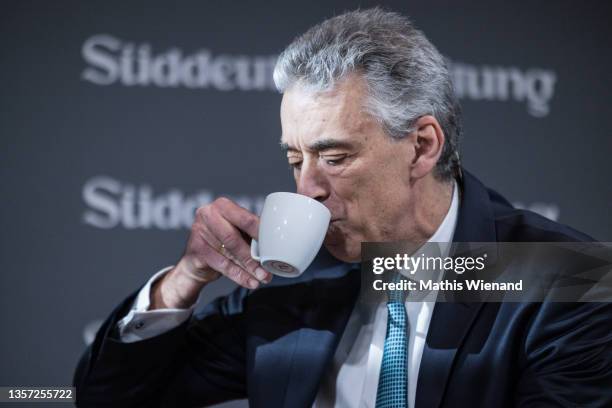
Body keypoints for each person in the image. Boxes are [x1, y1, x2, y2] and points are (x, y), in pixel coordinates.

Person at [73, 8, 611, 408]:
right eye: (294, 159)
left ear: (423, 146)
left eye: (333, 157)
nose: (307, 190)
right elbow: (105, 397)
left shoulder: (566, 280)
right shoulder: (292, 284)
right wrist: (182, 281)